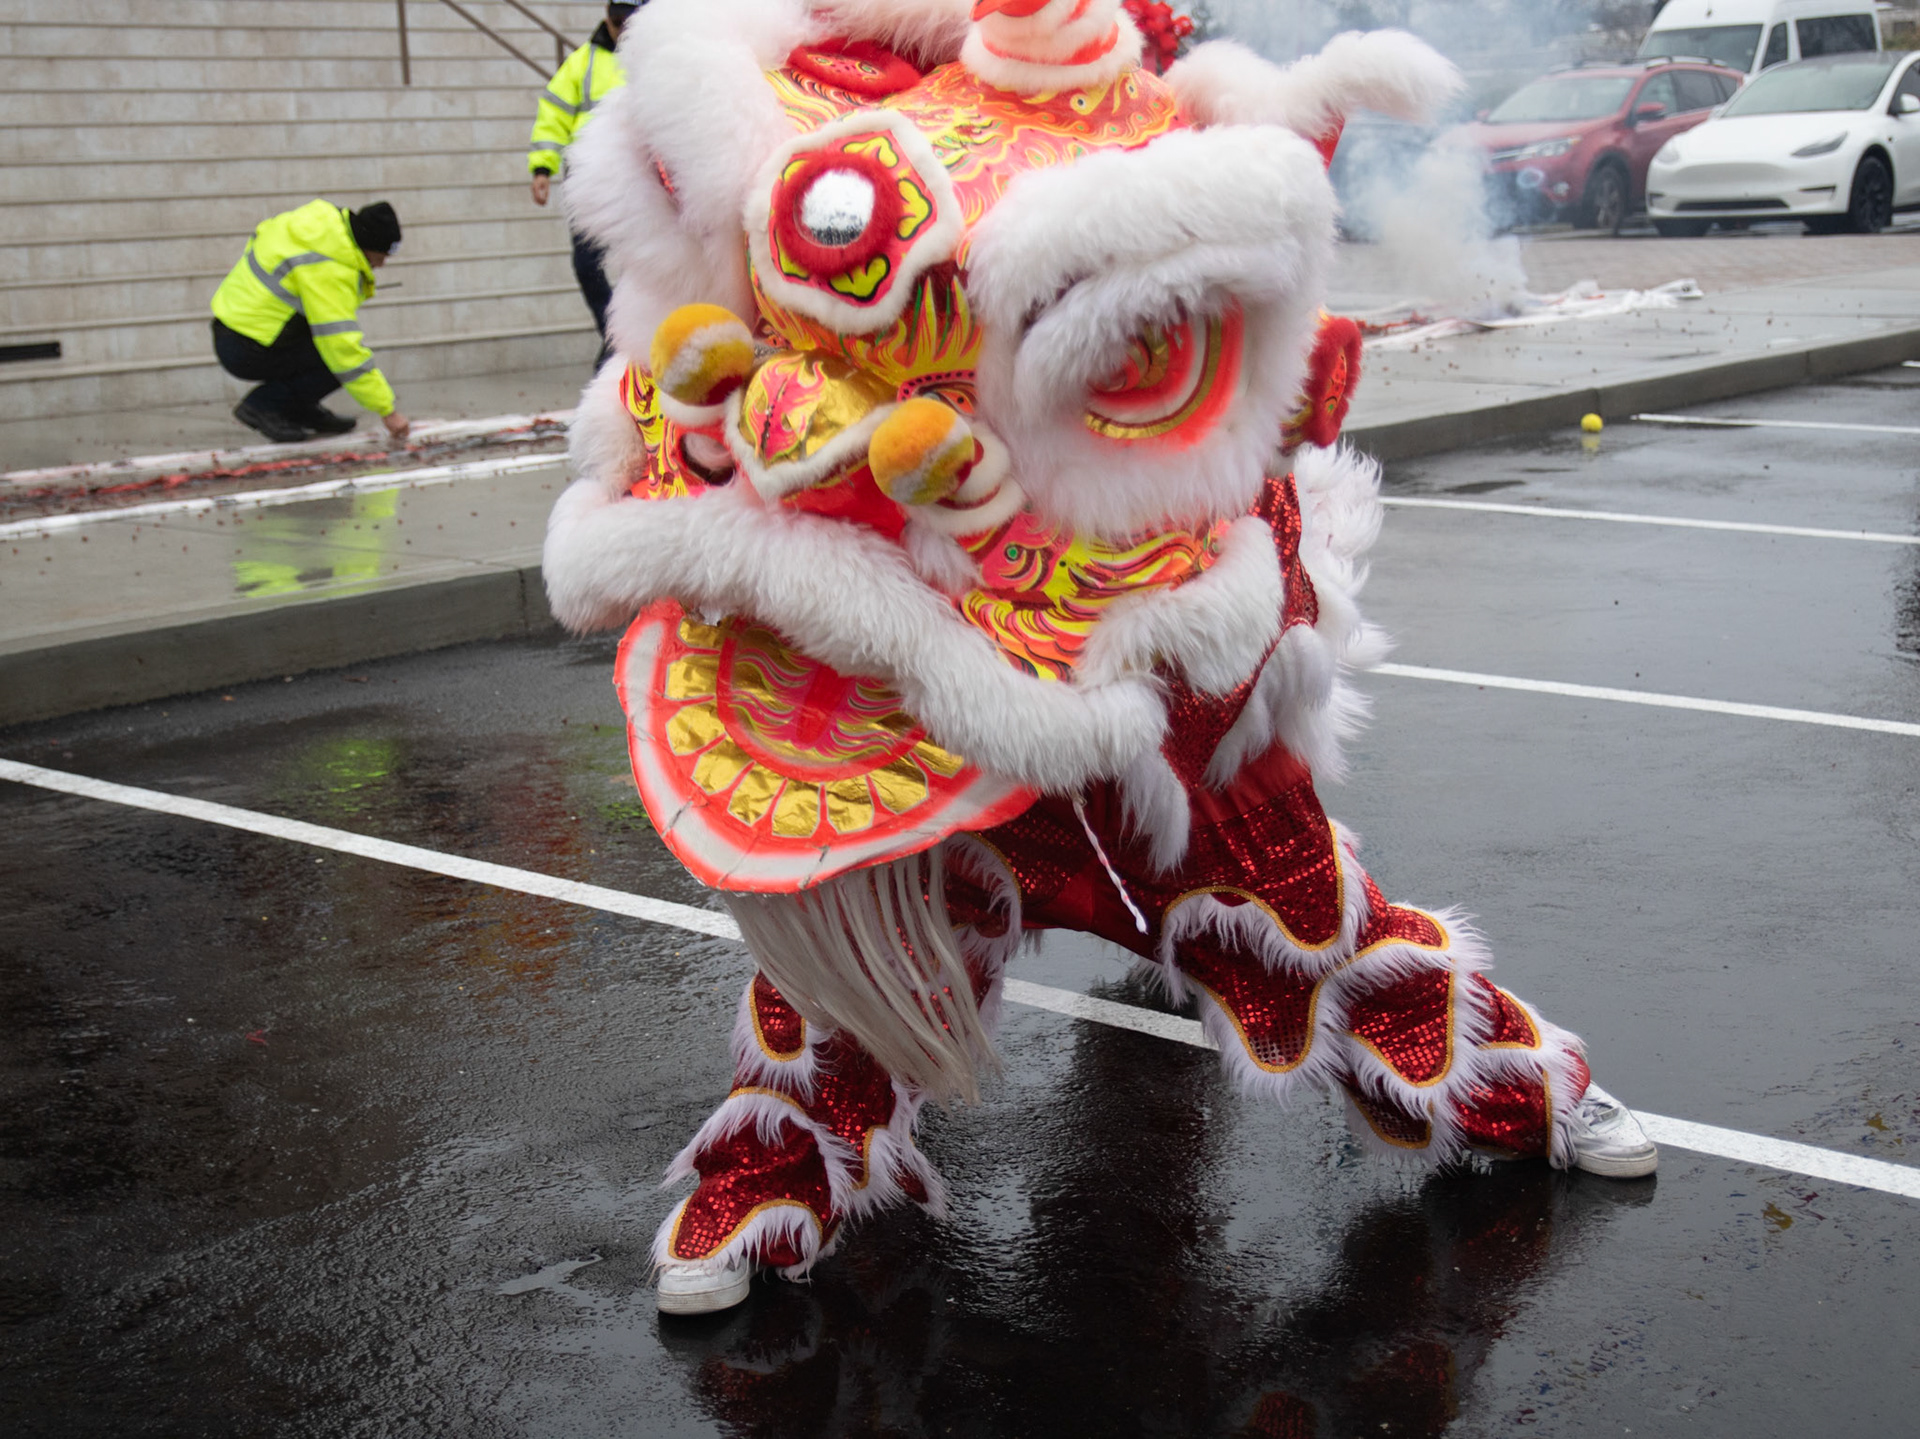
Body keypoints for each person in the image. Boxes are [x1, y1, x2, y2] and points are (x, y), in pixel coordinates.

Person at [209, 199, 411, 445]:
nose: (382, 264)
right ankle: (263, 405)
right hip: (248, 347)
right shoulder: (329, 268)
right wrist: (387, 411)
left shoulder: (317, 228)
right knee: (336, 359)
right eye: (382, 256)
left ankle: (298, 409)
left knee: (324, 347)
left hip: (233, 328)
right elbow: (341, 347)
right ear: (368, 246)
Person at [527, 2, 640, 345]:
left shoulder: (654, 59)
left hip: (636, 179)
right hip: (589, 178)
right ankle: (614, 338)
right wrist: (542, 167)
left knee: (639, 268)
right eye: (617, 21)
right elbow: (553, 114)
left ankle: (624, 340)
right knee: (586, 265)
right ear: (606, 18)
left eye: (629, 21)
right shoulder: (582, 62)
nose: (622, 29)